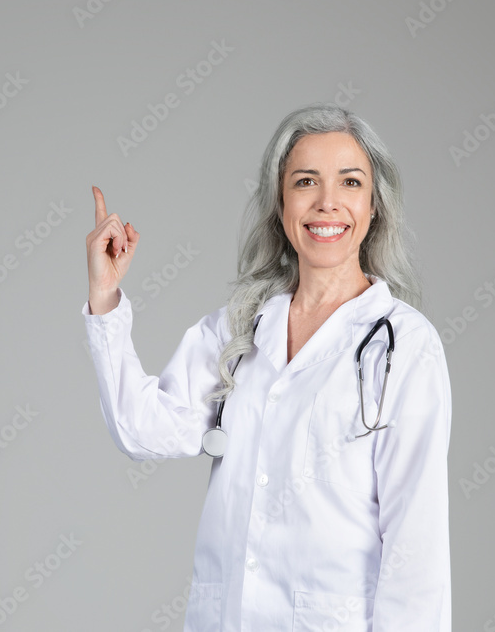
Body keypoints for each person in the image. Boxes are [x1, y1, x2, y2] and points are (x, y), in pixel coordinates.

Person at [82, 103, 452, 631]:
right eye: (306, 181)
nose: (327, 202)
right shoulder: (238, 330)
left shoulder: (405, 346)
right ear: (280, 203)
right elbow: (141, 431)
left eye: (350, 182)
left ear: (374, 207)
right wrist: (105, 297)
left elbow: (416, 547)